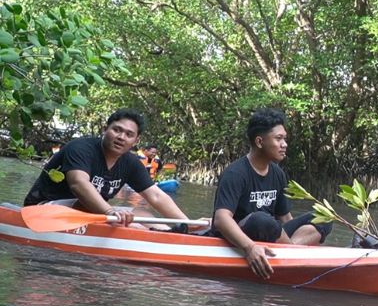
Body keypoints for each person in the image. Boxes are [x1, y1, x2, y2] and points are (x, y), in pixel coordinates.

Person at [210, 108, 332, 279]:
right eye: (278, 138)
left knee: (324, 216)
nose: (285, 144)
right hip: (243, 234)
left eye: (285, 139)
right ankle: (292, 253)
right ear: (260, 142)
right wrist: (249, 248)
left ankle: (290, 252)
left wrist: (291, 238)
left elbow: (285, 218)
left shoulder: (277, 173)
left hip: (273, 234)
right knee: (261, 219)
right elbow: (221, 219)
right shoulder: (235, 173)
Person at [23, 109, 191, 228]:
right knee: (88, 205)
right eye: (116, 130)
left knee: (142, 213)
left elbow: (156, 196)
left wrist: (188, 224)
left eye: (128, 134)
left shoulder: (131, 163)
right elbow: (78, 184)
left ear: (136, 140)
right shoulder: (81, 148)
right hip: (41, 210)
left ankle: (169, 234)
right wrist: (110, 211)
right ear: (105, 129)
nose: (121, 137)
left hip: (92, 214)